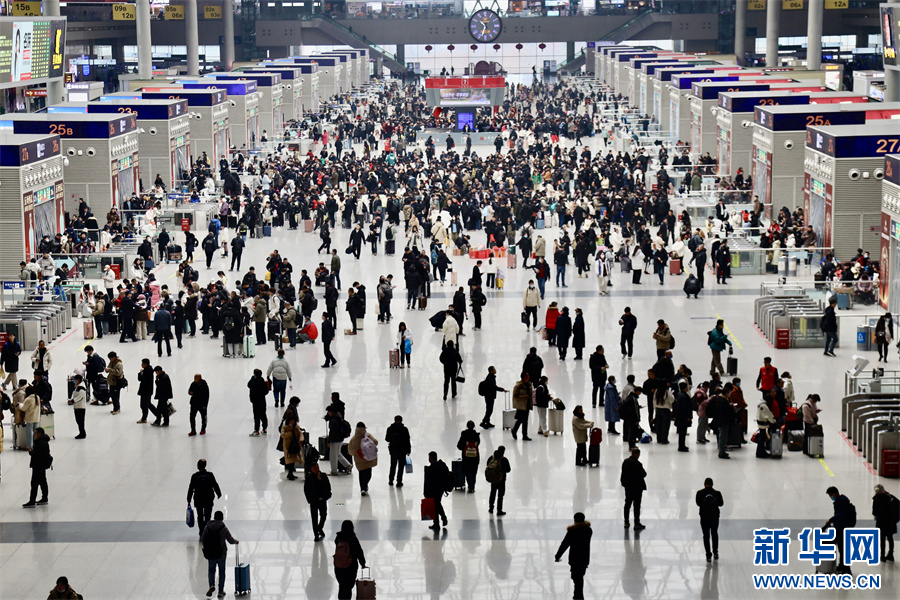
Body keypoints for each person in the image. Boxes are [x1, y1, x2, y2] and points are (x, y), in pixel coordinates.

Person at [554, 512, 593, 600]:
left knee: (576, 577)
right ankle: (578, 593)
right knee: (580, 576)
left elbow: (564, 544)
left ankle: (578, 594)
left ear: (575, 520)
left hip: (574, 558)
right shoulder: (588, 530)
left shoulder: (572, 532)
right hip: (584, 558)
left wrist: (558, 555)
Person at [201, 510, 239, 599]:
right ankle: (220, 591)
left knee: (211, 570)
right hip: (221, 554)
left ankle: (211, 585)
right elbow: (230, 540)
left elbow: (203, 538)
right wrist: (235, 542)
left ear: (214, 517)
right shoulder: (223, 528)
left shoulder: (207, 527)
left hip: (210, 553)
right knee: (221, 572)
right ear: (222, 518)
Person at [824, 486, 857, 574]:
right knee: (842, 549)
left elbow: (840, 515)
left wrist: (831, 520)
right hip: (841, 528)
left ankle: (846, 569)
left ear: (835, 493)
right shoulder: (842, 500)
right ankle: (842, 566)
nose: (831, 497)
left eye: (831, 495)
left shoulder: (841, 502)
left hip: (842, 529)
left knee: (843, 549)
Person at [187, 459, 222, 538]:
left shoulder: (195, 476)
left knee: (200, 516)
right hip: (208, 499)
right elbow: (215, 484)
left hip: (198, 499)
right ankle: (207, 530)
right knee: (207, 516)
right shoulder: (210, 475)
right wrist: (218, 493)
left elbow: (191, 488)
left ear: (198, 466)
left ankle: (201, 530)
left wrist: (188, 498)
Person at [333, 520, 366, 599]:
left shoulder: (338, 538)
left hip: (339, 565)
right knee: (348, 587)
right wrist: (363, 563)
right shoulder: (353, 539)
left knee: (342, 586)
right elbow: (359, 551)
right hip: (350, 566)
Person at [22, 427, 52, 508]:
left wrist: (32, 453)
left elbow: (38, 455)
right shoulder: (42, 442)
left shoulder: (41, 443)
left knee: (34, 483)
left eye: (36, 433)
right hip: (41, 466)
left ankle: (32, 501)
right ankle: (44, 498)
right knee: (42, 482)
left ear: (40, 434)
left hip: (38, 466)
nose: (34, 435)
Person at [696, 477, 724, 562]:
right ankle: (715, 552)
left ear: (704, 484)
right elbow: (721, 503)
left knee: (706, 536)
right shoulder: (717, 493)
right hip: (714, 517)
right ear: (712, 484)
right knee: (714, 534)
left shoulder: (700, 493)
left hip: (704, 518)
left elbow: (698, 503)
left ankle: (708, 555)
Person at [347, 421, 378, 496]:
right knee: (368, 474)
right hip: (369, 458)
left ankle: (363, 488)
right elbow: (376, 442)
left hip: (359, 460)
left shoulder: (353, 439)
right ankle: (365, 485)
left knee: (361, 474)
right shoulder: (368, 435)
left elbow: (350, 451)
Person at [620, 447, 647, 530]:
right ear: (637, 454)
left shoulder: (625, 461)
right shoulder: (638, 464)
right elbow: (644, 474)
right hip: (637, 488)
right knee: (637, 505)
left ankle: (626, 522)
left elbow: (623, 473)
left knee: (627, 504)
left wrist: (624, 483)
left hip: (628, 487)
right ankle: (636, 522)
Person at [423, 451, 451, 530]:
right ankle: (438, 522)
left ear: (431, 458)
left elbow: (428, 482)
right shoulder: (442, 465)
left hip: (434, 490)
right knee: (436, 504)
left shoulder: (431, 469)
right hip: (441, 489)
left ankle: (441, 519)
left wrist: (426, 492)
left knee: (436, 505)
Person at [304, 462, 332, 541]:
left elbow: (327, 486)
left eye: (317, 467)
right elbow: (306, 490)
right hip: (314, 501)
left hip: (322, 499)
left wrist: (320, 480)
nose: (317, 469)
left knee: (323, 515)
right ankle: (316, 534)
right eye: (315, 468)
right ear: (311, 469)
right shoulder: (309, 478)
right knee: (314, 518)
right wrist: (310, 500)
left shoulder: (323, 476)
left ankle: (320, 528)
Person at [385, 415, 411, 487]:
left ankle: (391, 480)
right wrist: (408, 450)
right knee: (401, 467)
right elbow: (407, 440)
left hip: (393, 450)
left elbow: (387, 439)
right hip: (402, 451)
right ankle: (399, 481)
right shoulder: (404, 429)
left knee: (393, 465)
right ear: (401, 421)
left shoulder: (390, 429)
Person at [872, 484, 896, 562]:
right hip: (890, 521)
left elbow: (874, 512)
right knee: (890, 538)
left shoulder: (876, 499)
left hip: (881, 522)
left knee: (882, 539)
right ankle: (891, 554)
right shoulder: (889, 497)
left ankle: (882, 556)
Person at [485, 445, 511, 516]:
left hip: (493, 480)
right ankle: (499, 510)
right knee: (500, 495)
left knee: (492, 493)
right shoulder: (504, 460)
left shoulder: (491, 458)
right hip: (501, 479)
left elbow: (487, 465)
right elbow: (508, 469)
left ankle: (491, 508)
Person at [456, 420, 481, 493]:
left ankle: (469, 484)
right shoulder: (476, 435)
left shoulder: (464, 435)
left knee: (467, 472)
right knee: (473, 472)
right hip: (475, 458)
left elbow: (459, 446)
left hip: (466, 458)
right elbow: (478, 444)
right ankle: (472, 486)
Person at [511, 371, 534, 441]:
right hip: (521, 405)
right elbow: (515, 395)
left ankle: (524, 435)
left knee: (525, 420)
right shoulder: (518, 386)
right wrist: (524, 396)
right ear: (524, 377)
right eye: (527, 376)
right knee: (520, 419)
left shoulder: (529, 384)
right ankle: (514, 430)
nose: (529, 377)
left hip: (527, 405)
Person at [247, 368, 269, 436]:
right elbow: (266, 391)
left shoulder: (253, 382)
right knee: (263, 415)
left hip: (255, 402)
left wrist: (252, 378)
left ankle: (256, 430)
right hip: (262, 401)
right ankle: (264, 428)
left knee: (256, 416)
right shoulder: (263, 382)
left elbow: (248, 385)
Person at [620, 385, 643, 450]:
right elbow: (635, 410)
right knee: (632, 432)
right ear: (637, 391)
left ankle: (632, 444)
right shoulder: (633, 398)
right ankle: (632, 445)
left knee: (631, 431)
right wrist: (637, 419)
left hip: (628, 418)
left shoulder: (629, 397)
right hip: (632, 418)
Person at [674, 381, 693, 452]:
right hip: (683, 418)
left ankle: (682, 445)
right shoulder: (684, 396)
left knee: (682, 433)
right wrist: (688, 417)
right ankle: (681, 446)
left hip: (680, 417)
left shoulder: (679, 394)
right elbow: (686, 408)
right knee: (682, 432)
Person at [136, 358, 155, 424]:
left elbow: (140, 379)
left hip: (145, 391)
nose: (142, 365)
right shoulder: (148, 370)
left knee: (144, 405)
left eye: (143, 364)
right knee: (148, 404)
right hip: (148, 390)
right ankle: (157, 414)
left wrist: (140, 373)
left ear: (146, 364)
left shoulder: (147, 372)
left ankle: (144, 418)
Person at [69, 374, 87, 439]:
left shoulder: (81, 388)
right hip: (77, 406)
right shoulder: (77, 386)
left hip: (80, 407)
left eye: (75, 379)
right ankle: (82, 432)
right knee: (78, 421)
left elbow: (80, 397)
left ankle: (82, 433)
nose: (75, 381)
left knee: (80, 421)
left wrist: (73, 401)